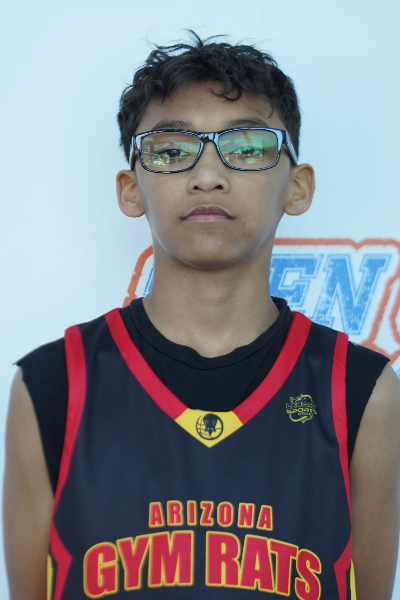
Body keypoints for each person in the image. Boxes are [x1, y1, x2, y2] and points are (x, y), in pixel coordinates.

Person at [4, 33, 400, 600]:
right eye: (171, 151)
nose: (208, 175)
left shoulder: (361, 391)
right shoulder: (53, 385)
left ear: (297, 187)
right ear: (130, 190)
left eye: (248, 147)